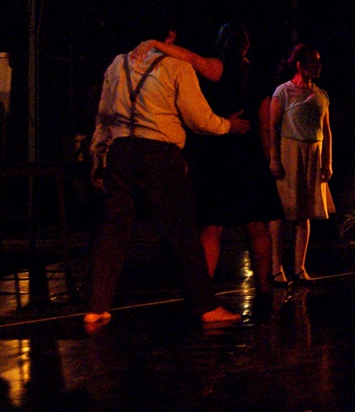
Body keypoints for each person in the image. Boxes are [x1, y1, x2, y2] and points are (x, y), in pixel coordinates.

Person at [86, 26, 246, 325]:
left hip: (121, 152)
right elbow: (198, 119)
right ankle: (206, 306)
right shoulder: (175, 66)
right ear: (170, 36)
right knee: (181, 233)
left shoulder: (118, 64)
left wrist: (98, 156)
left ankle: (96, 306)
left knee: (112, 232)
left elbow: (104, 116)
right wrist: (228, 126)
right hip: (159, 154)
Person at [135, 23, 285, 310]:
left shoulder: (217, 68)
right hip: (248, 155)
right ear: (247, 45)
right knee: (257, 226)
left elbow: (191, 58)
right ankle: (264, 289)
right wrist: (269, 158)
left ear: (220, 43)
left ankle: (204, 293)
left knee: (212, 227)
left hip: (218, 153)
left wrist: (157, 43)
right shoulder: (257, 76)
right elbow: (265, 123)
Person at [269, 44, 334, 284]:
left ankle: (299, 267)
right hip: (290, 151)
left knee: (304, 213)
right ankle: (276, 267)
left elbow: (326, 130)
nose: (318, 67)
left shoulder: (321, 94)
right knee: (282, 212)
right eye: (313, 62)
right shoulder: (283, 92)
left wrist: (327, 162)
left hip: (312, 152)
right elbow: (273, 127)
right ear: (299, 65)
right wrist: (274, 157)